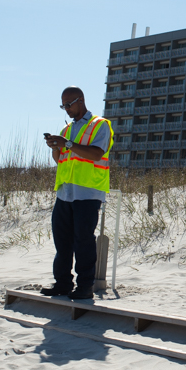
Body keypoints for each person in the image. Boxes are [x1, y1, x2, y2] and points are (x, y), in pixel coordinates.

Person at [42, 87, 114, 299]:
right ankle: (63, 283)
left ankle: (85, 286)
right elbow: (61, 160)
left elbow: (97, 153)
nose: (66, 109)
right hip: (65, 192)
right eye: (63, 105)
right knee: (62, 241)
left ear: (80, 100)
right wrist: (55, 147)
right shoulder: (66, 131)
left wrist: (68, 144)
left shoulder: (100, 125)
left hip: (88, 192)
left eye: (69, 104)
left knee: (83, 240)